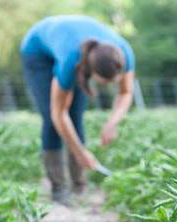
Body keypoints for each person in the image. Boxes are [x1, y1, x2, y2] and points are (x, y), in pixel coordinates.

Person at [20, 15, 135, 205]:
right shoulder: (70, 61)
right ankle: (59, 189)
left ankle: (79, 185)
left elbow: (126, 92)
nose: (109, 86)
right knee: (51, 118)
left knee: (76, 117)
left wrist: (112, 123)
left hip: (71, 40)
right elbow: (59, 114)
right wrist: (81, 153)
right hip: (37, 52)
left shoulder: (124, 53)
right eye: (105, 82)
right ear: (89, 71)